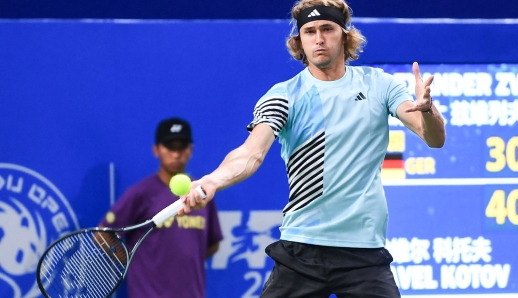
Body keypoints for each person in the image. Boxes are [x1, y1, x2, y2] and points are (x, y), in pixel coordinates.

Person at [181, 0, 446, 296]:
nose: (319, 39)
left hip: (364, 251)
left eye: (327, 29)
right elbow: (251, 153)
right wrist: (212, 180)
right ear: (299, 41)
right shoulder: (284, 96)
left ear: (345, 35)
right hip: (302, 248)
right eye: (309, 32)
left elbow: (434, 138)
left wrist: (427, 110)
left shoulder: (379, 85)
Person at [99, 117, 223, 298]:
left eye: (181, 147)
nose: (176, 154)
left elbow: (212, 243)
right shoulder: (140, 193)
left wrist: (180, 263)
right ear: (156, 150)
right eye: (170, 147)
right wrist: (133, 263)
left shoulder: (201, 194)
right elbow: (103, 234)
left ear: (190, 150)